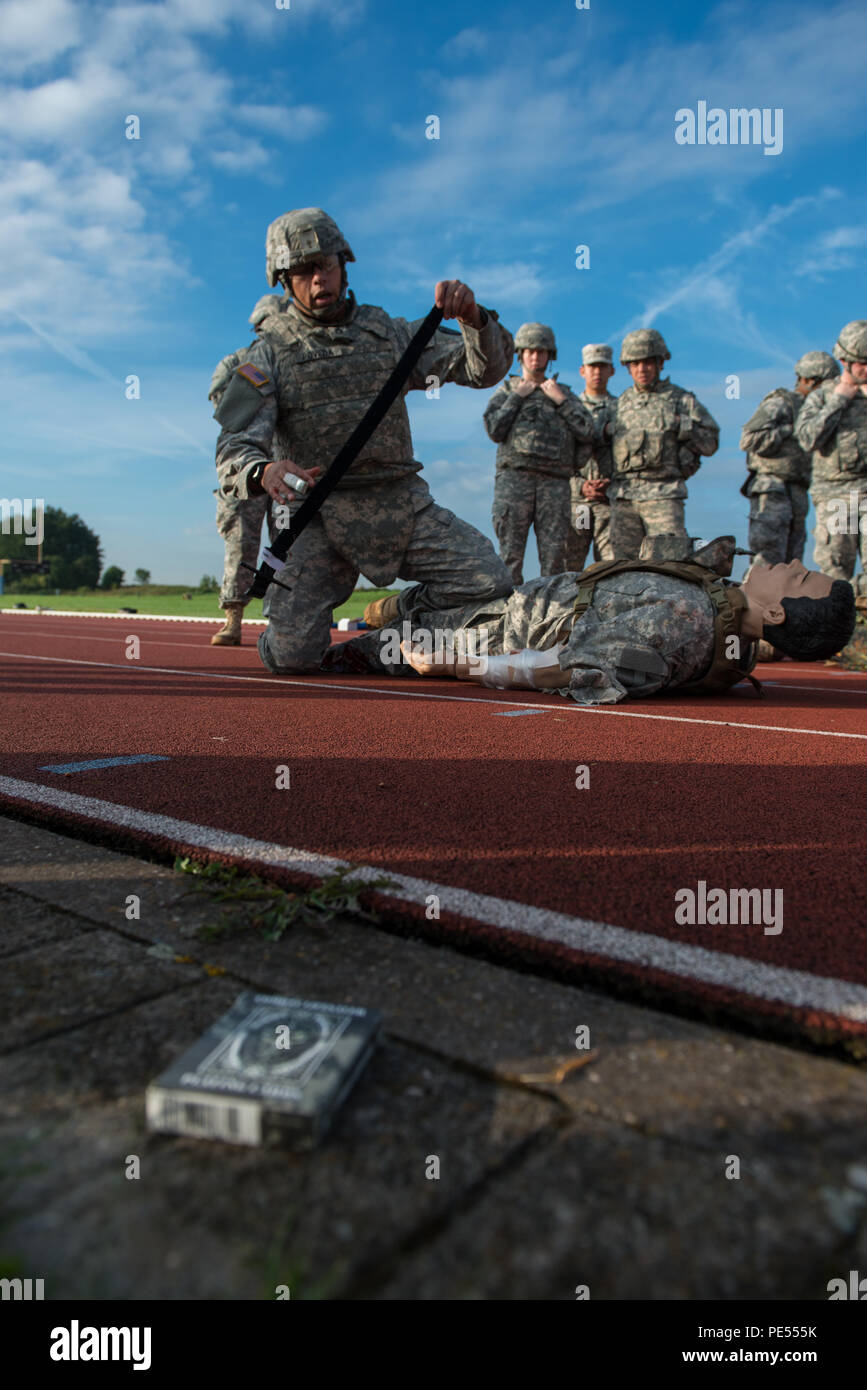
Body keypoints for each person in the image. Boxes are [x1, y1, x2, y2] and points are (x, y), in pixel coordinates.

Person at [212, 208, 515, 672]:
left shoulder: (389, 335)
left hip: (399, 504)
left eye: (326, 264)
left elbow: (484, 370)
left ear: (344, 264)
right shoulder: (264, 356)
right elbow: (234, 445)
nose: (318, 279)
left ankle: (393, 619)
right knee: (292, 658)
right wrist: (264, 470)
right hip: (315, 518)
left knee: (489, 581)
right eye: (302, 271)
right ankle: (289, 636)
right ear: (283, 281)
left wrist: (475, 318)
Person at [329, 543, 854, 706]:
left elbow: (577, 668)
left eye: (800, 576)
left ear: (778, 612)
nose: (791, 564)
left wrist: (458, 664)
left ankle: (367, 630)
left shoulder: (686, 622)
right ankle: (396, 606)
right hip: (514, 599)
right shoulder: (721, 613)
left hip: (492, 629)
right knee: (450, 579)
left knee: (321, 655)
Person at [483, 323, 593, 582]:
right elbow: (494, 429)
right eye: (530, 351)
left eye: (541, 351)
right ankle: (508, 617)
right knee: (510, 556)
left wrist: (561, 402)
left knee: (555, 557)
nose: (535, 357)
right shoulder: (508, 391)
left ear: (549, 355)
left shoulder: (564, 393)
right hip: (514, 481)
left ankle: (551, 618)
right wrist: (517, 397)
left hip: (554, 483)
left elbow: (587, 431)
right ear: (520, 354)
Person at [208, 295, 284, 645]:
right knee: (241, 541)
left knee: (288, 543)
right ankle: (233, 618)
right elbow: (223, 410)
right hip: (250, 468)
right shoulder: (237, 363)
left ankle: (284, 618)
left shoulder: (295, 362)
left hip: (289, 467)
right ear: (257, 327)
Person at [608, 329, 720, 560]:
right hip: (623, 497)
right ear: (627, 366)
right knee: (622, 567)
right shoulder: (618, 405)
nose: (642, 369)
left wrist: (682, 425)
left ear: (660, 363)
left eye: (648, 362)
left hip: (664, 494)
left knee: (670, 564)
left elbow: (711, 443)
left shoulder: (681, 400)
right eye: (635, 363)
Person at [739, 350, 840, 571]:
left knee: (792, 566)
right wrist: (789, 430)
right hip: (772, 488)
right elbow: (749, 438)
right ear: (809, 380)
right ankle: (755, 605)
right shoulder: (782, 403)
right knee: (765, 563)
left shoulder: (818, 412)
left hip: (797, 491)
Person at [795, 320, 867, 609]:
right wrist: (839, 401)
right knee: (834, 576)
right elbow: (807, 438)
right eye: (861, 364)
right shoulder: (822, 397)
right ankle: (839, 645)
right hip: (836, 495)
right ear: (844, 361)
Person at [567, 343, 618, 569]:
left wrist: (612, 485)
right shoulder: (569, 408)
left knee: (612, 567)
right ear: (582, 370)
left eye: (602, 366)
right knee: (569, 568)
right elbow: (555, 459)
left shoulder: (622, 410)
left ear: (611, 370)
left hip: (610, 503)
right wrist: (580, 486)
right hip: (578, 504)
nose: (597, 372)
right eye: (592, 366)